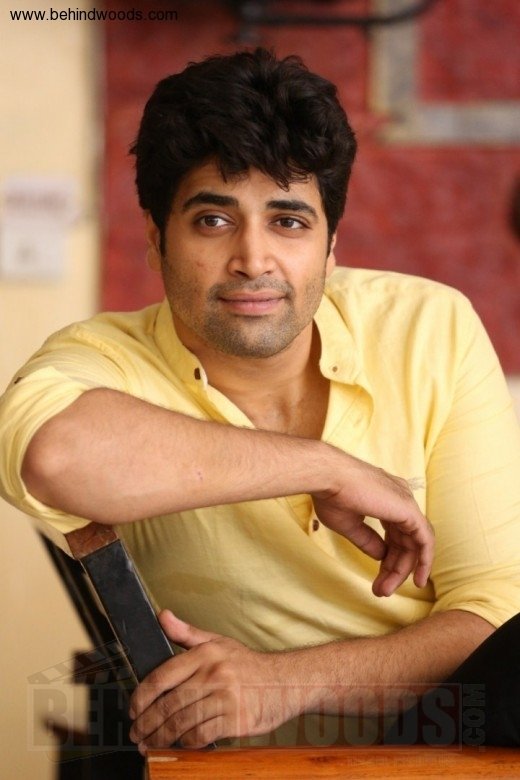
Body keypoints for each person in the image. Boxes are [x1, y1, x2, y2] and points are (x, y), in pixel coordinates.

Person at [1, 48, 519, 751]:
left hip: (454, 742)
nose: (252, 259)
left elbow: (497, 610)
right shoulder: (104, 361)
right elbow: (55, 456)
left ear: (331, 248)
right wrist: (325, 467)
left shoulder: (429, 326)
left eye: (289, 221)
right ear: (155, 240)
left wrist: (286, 682)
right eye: (213, 221)